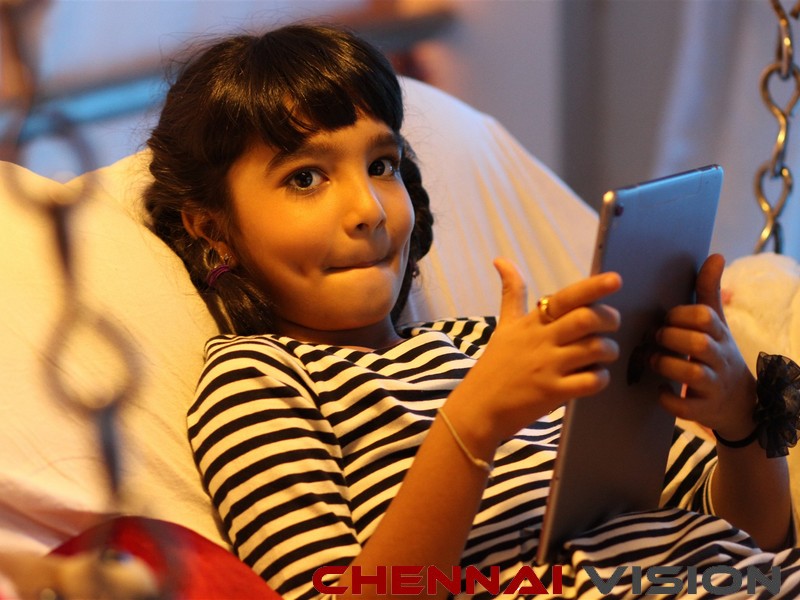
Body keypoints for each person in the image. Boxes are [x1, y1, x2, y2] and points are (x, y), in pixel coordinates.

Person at [144, 23, 799, 599]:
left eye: (382, 165)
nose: (368, 210)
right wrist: (473, 425)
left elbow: (756, 538)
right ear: (212, 229)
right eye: (305, 178)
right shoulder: (257, 383)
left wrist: (739, 418)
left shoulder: (489, 344)